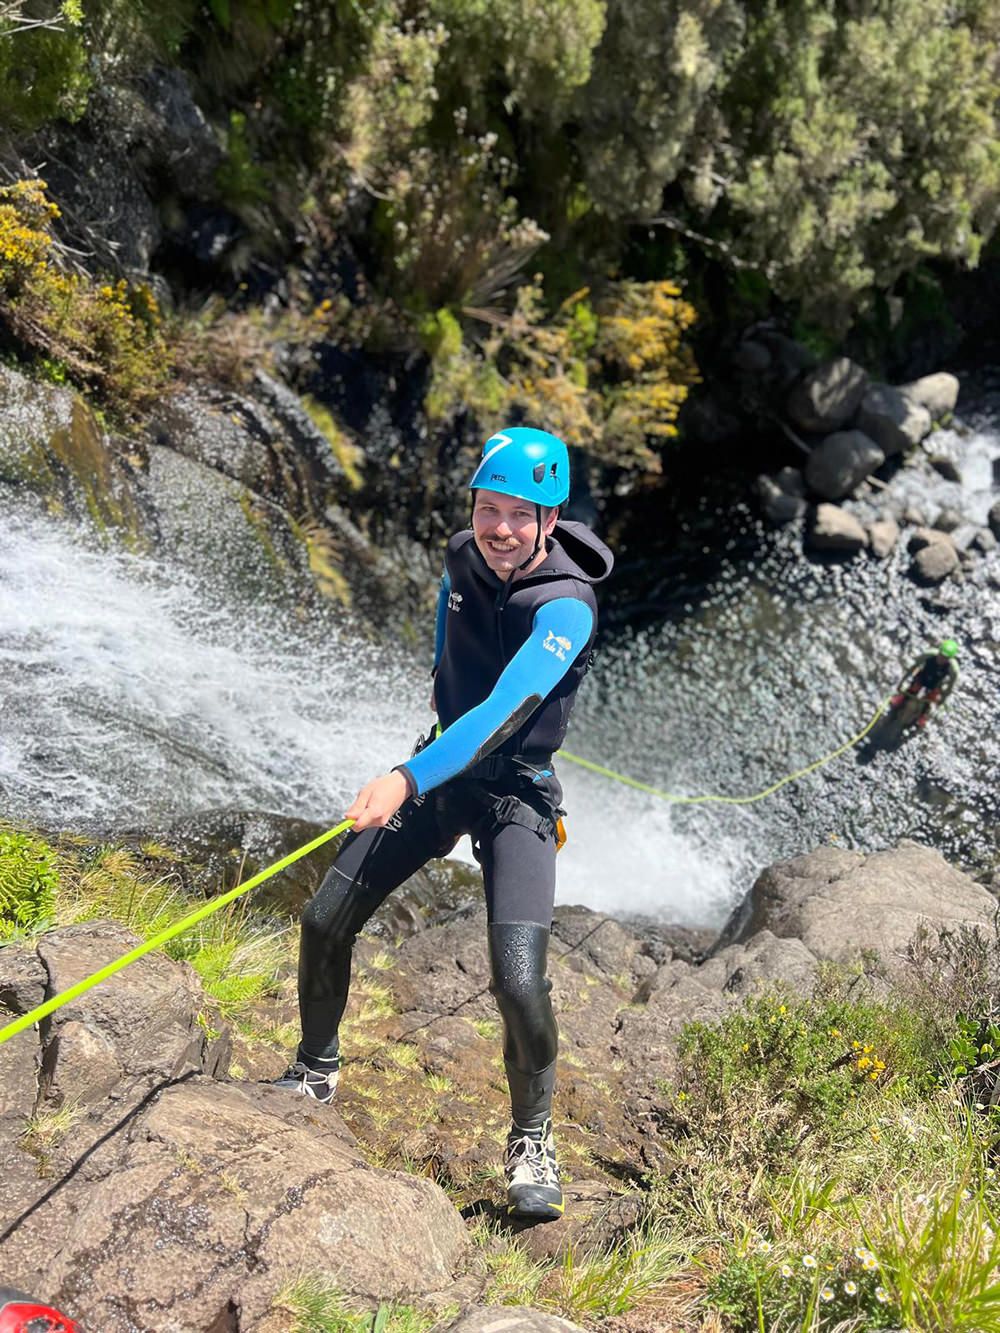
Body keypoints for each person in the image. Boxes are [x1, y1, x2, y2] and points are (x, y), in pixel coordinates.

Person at [274, 426, 613, 1222]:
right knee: (326, 916)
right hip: (442, 768)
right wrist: (434, 694)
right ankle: (315, 1068)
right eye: (487, 508)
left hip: (513, 793)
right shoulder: (465, 554)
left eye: (518, 515)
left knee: (518, 981)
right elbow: (447, 627)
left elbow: (502, 711)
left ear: (550, 518)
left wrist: (405, 775)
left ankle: (532, 1137)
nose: (498, 528)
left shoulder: (568, 605)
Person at [889, 638, 960, 727]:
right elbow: (913, 667)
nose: (942, 659)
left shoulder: (953, 670)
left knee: (930, 698)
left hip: (936, 682)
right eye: (941, 655)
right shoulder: (928, 655)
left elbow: (950, 687)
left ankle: (924, 714)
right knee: (914, 686)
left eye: (945, 658)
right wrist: (902, 682)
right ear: (939, 651)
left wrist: (942, 699)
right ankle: (903, 696)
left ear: (950, 658)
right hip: (923, 675)